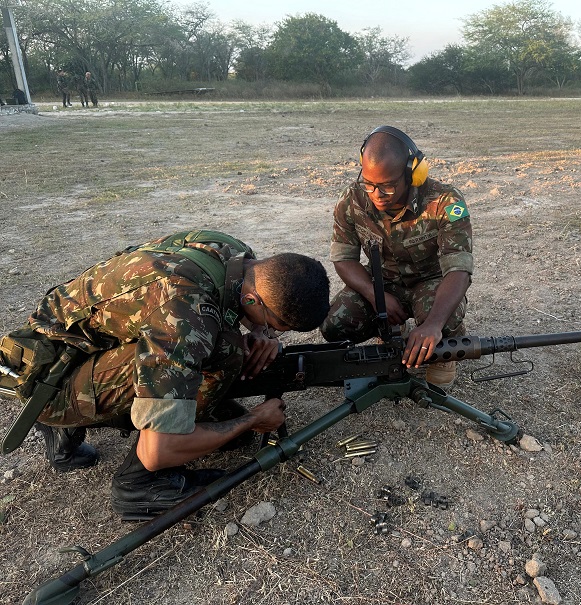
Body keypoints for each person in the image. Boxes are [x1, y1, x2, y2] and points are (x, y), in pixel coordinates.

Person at [3, 230, 330, 519]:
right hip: (48, 383)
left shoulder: (234, 255)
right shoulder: (186, 315)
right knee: (221, 348)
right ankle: (138, 484)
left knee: (221, 344)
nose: (271, 333)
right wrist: (254, 419)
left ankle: (71, 429)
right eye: (274, 325)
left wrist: (263, 332)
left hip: (70, 349)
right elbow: (160, 449)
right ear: (251, 298)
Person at [320, 126, 472, 388]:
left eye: (388, 186)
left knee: (443, 322)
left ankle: (442, 352)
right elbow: (344, 258)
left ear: (412, 174)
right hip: (382, 281)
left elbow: (458, 269)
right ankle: (390, 330)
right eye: (370, 184)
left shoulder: (446, 201)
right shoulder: (352, 198)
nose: (377, 195)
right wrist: (374, 296)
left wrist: (434, 325)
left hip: (431, 282)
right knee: (335, 325)